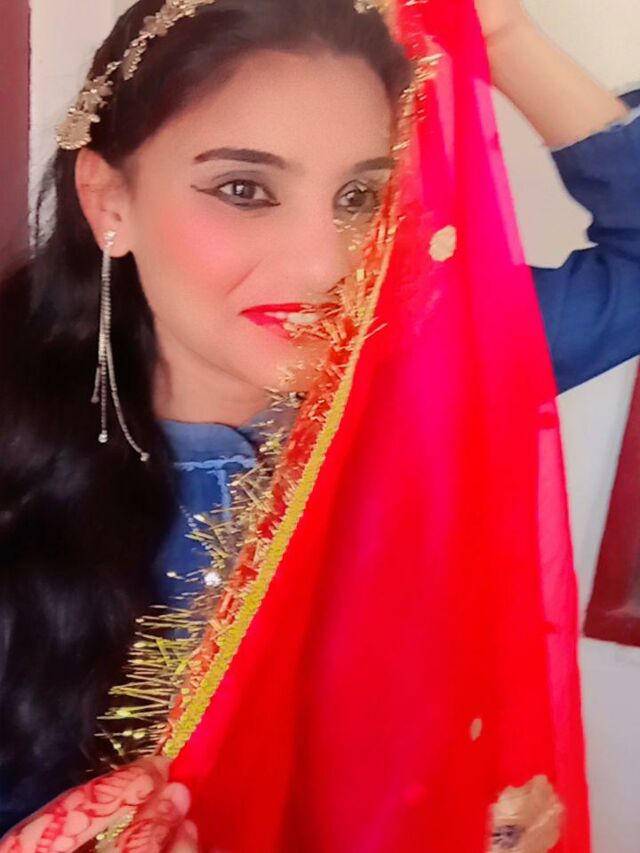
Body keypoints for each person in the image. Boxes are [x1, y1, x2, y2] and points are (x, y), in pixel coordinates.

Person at [0, 0, 637, 849]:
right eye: (243, 189)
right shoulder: (19, 460)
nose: (326, 264)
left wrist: (504, 37)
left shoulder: (424, 364)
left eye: (361, 196)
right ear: (108, 198)